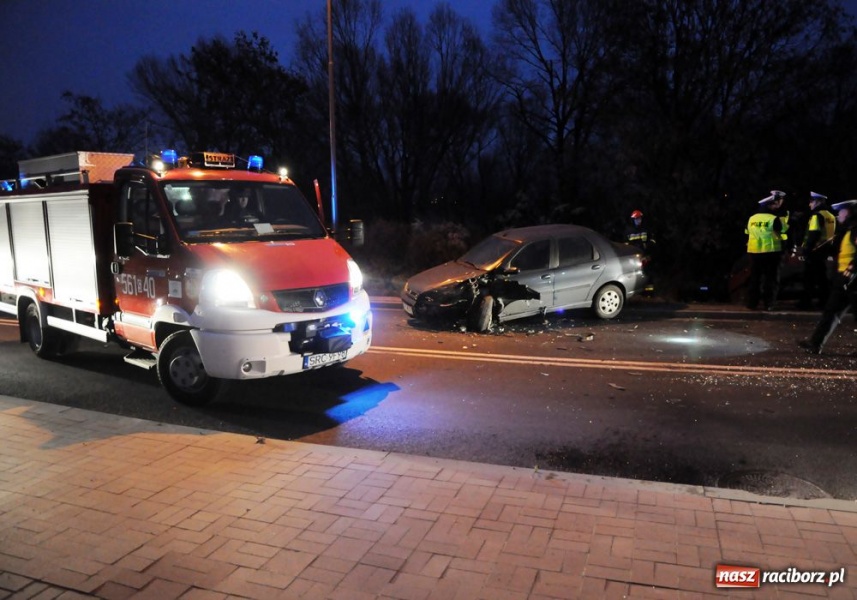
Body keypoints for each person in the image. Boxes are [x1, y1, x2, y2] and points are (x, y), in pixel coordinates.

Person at [799, 199, 857, 354]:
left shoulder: (855, 230)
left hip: (853, 279)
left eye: (841, 212)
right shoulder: (847, 230)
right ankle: (815, 344)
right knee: (830, 312)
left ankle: (815, 343)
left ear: (850, 212)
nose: (838, 215)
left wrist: (852, 270)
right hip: (842, 279)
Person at [744, 191, 788, 310]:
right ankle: (769, 304)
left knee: (755, 279)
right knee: (771, 280)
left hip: (754, 253)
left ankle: (752, 303)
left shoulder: (751, 218)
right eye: (774, 204)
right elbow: (783, 233)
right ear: (770, 205)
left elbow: (746, 233)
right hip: (772, 252)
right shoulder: (774, 219)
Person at [797, 191, 836, 310]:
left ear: (818, 202)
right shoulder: (830, 215)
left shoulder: (816, 216)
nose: (810, 204)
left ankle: (806, 303)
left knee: (809, 278)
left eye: (811, 201)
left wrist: (807, 250)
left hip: (814, 250)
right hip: (825, 249)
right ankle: (824, 301)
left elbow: (813, 234)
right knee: (822, 278)